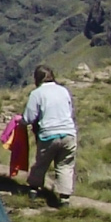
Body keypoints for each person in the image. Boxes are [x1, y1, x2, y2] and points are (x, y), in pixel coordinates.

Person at [22, 64, 77, 206]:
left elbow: (29, 117)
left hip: (48, 134)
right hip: (68, 133)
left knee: (41, 163)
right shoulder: (64, 91)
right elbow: (70, 112)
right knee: (65, 165)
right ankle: (64, 198)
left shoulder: (37, 93)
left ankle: (34, 189)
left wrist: (20, 123)